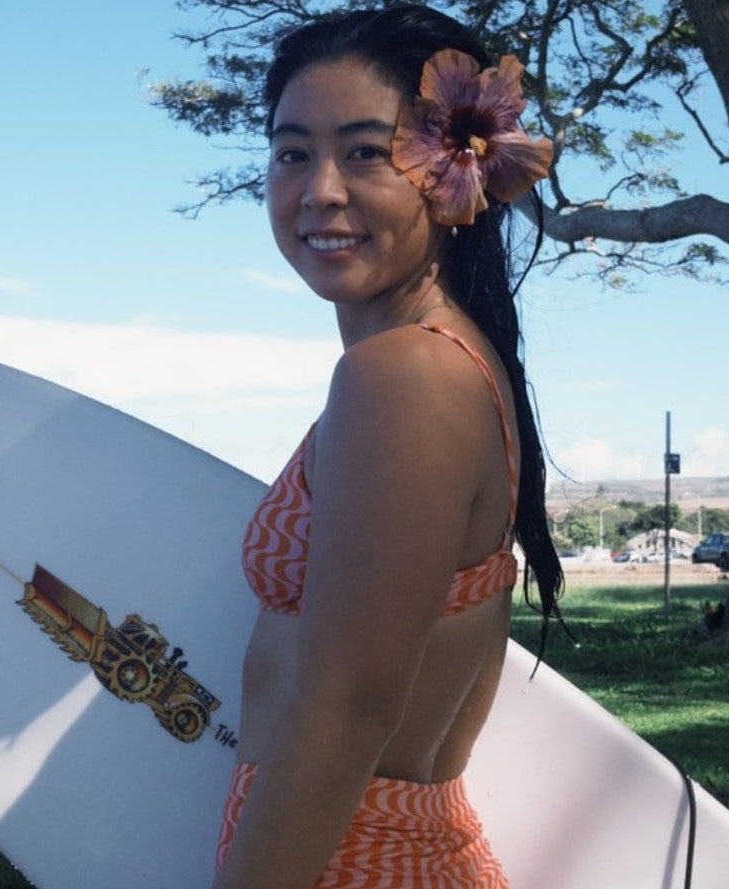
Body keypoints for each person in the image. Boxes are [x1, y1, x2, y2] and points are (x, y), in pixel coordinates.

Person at [212, 6, 563, 888]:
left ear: (450, 174)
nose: (319, 189)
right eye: (292, 151)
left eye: (366, 151)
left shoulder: (404, 375)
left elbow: (341, 716)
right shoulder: (450, 360)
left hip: (342, 858)